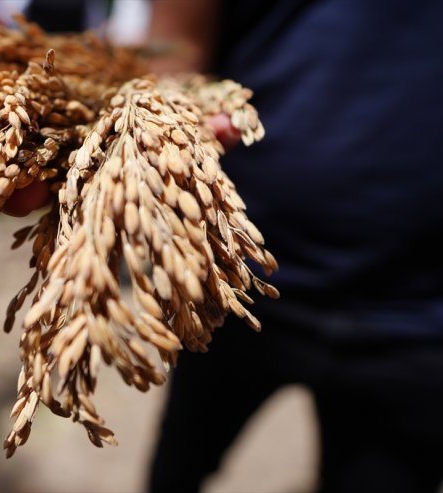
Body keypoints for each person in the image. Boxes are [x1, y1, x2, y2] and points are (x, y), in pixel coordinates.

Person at [145, 1, 443, 492]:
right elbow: (177, 43)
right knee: (177, 470)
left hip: (422, 316)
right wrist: (158, 120)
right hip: (239, 279)